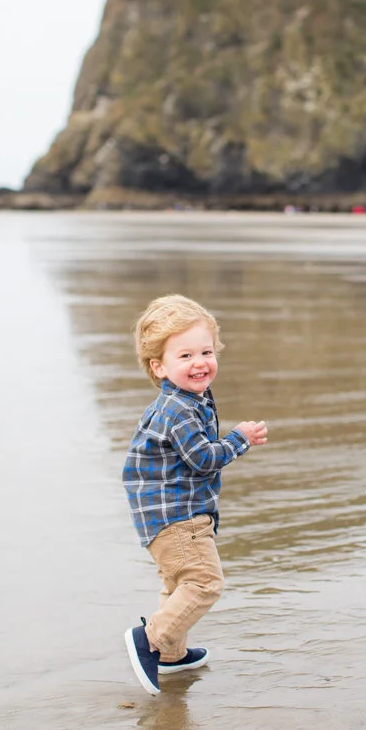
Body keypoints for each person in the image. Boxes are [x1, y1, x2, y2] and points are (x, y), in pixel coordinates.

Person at [122, 294, 267, 695]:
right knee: (204, 582)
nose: (199, 362)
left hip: (162, 513)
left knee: (176, 583)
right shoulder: (178, 410)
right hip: (176, 516)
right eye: (185, 355)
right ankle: (150, 640)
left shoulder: (189, 399)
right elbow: (203, 459)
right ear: (159, 366)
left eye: (206, 351)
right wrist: (239, 439)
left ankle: (170, 653)